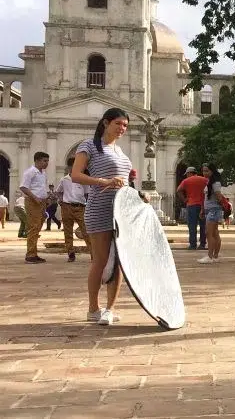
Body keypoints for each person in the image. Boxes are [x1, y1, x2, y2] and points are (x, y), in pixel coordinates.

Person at [71, 107, 133, 326]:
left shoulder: (120, 151)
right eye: (118, 124)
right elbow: (76, 175)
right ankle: (93, 308)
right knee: (100, 261)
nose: (122, 128)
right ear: (106, 123)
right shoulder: (89, 146)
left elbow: (125, 181)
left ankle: (110, 308)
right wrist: (103, 181)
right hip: (99, 208)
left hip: (121, 212)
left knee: (118, 262)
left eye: (125, 125)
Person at [56, 158, 92, 262]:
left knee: (86, 231)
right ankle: (70, 253)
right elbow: (58, 191)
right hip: (66, 207)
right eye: (74, 166)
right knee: (68, 231)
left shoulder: (83, 179)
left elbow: (86, 193)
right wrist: (60, 200)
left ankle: (93, 253)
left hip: (80, 207)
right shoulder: (64, 180)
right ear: (69, 167)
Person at [20, 151, 51, 264]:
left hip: (41, 203)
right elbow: (23, 187)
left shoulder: (43, 173)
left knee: (37, 227)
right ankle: (30, 255)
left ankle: (34, 253)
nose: (47, 163)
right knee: (33, 227)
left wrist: (46, 199)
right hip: (33, 202)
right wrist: (34, 197)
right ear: (37, 160)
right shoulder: (30, 172)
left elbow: (42, 188)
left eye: (47, 161)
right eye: (44, 161)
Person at [198, 163, 226, 264]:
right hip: (211, 210)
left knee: (209, 233)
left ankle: (210, 256)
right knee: (214, 233)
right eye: (203, 171)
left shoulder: (215, 183)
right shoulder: (210, 182)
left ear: (212, 171)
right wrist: (203, 210)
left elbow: (219, 196)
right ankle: (215, 256)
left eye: (206, 171)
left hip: (214, 210)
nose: (204, 173)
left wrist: (220, 205)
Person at [177, 167, 207, 250]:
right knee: (203, 226)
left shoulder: (186, 181)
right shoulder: (204, 180)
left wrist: (184, 199)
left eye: (186, 174)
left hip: (191, 205)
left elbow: (178, 190)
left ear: (189, 173)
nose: (186, 176)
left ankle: (193, 245)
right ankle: (202, 244)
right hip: (203, 205)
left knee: (192, 226)